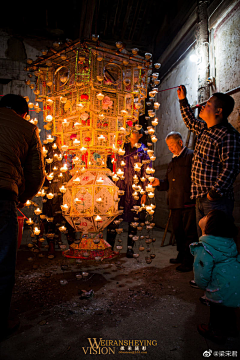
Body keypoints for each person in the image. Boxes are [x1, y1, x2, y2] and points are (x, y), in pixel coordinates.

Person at [0, 94, 45, 340]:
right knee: (3, 263)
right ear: (23, 113)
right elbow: (36, 174)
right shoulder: (26, 128)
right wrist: (21, 198)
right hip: (2, 197)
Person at [177, 85, 240, 236]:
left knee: (216, 241)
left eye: (208, 104)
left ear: (219, 111)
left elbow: (231, 167)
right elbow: (190, 122)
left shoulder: (228, 134)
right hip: (200, 197)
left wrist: (214, 193)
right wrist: (182, 100)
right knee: (204, 240)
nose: (203, 106)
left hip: (216, 201)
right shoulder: (205, 129)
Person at [190, 209, 240, 344]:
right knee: (228, 309)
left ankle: (215, 332)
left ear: (209, 226)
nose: (204, 216)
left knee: (217, 311)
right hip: (235, 283)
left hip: (220, 287)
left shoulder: (205, 247)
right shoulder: (228, 242)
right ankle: (231, 329)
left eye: (207, 216)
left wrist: (203, 286)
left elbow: (201, 272)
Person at [152, 131, 198, 272]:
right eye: (168, 145)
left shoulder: (191, 156)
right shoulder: (173, 161)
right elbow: (168, 183)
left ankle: (189, 261)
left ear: (180, 142)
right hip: (174, 203)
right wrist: (158, 182)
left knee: (189, 233)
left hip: (187, 202)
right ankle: (181, 255)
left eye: (172, 144)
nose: (170, 148)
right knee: (178, 232)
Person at [107, 128, 150, 258]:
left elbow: (146, 172)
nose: (132, 132)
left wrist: (144, 192)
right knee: (114, 217)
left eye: (135, 131)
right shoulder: (121, 148)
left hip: (135, 189)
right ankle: (110, 246)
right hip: (119, 187)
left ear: (140, 135)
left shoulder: (143, 152)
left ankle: (130, 248)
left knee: (133, 219)